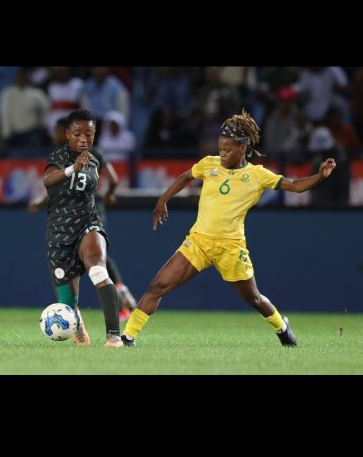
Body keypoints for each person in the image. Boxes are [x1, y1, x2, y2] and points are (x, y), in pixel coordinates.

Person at [121, 109, 337, 348]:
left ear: (242, 148)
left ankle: (281, 326)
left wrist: (320, 176)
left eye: (227, 149)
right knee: (158, 286)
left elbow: (295, 185)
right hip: (199, 242)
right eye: (220, 148)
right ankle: (127, 337)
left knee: (254, 299)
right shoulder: (209, 164)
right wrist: (163, 200)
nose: (222, 153)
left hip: (231, 247)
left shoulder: (257, 175)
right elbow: (186, 177)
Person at [29, 117, 137, 321]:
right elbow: (113, 180)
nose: (54, 136)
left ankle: (119, 296)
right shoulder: (77, 155)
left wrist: (40, 202)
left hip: (84, 213)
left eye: (57, 131)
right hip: (88, 211)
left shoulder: (70, 157)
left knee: (93, 259)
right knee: (95, 258)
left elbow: (57, 188)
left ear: (66, 132)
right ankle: (119, 292)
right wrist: (109, 195)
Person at [43, 109, 124, 348]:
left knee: (98, 269)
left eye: (88, 133)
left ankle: (113, 336)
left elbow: (110, 182)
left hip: (88, 222)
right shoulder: (59, 155)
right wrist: (72, 169)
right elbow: (48, 181)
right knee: (68, 302)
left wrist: (108, 194)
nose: (83, 139)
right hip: (59, 231)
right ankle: (77, 326)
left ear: (94, 133)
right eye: (77, 133)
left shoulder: (95, 159)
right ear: (68, 134)